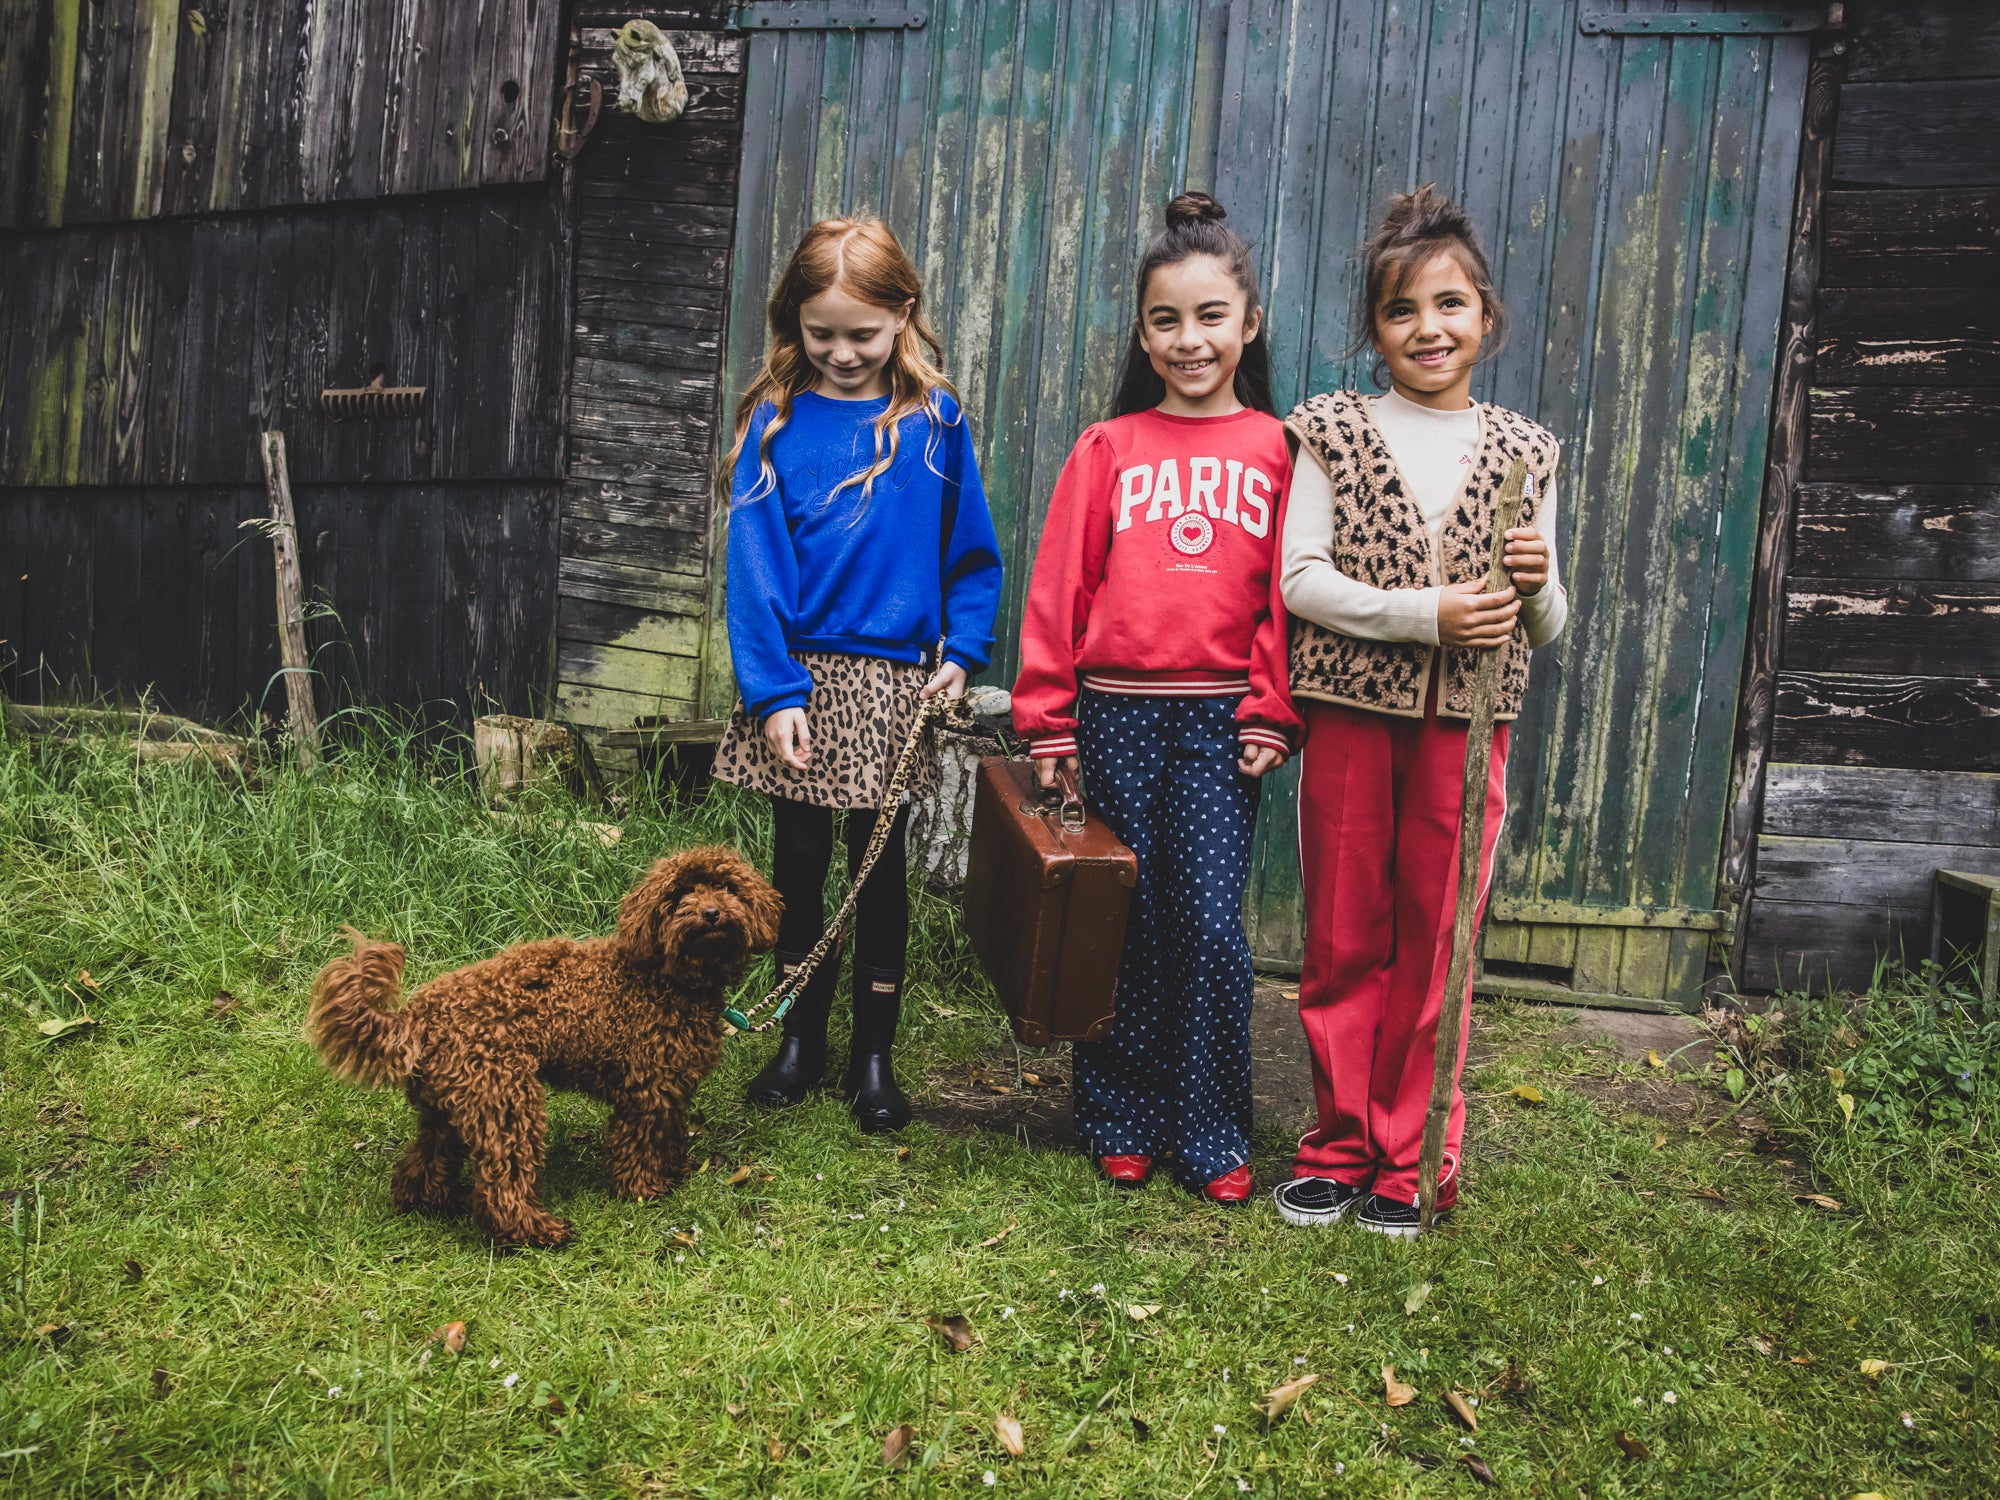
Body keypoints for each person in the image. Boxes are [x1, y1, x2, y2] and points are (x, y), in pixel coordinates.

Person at [1273, 184, 1570, 1238]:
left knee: (1438, 936)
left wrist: (1532, 583)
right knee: (1345, 931)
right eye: (1401, 311)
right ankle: (1337, 1143)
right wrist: (1422, 614)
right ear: (1373, 330)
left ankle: (1413, 1154)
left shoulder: (1524, 452)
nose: (1426, 328)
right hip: (1351, 715)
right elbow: (1299, 579)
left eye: (1448, 305)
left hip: (1469, 725)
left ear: (1484, 316)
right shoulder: (1329, 431)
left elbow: (1546, 623)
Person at [1012, 192, 1299, 1204]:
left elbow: (1284, 600)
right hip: (1113, 716)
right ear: (1141, 331)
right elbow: (1058, 592)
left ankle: (1211, 1126)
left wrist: (1272, 707)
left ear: (1248, 321)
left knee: (1208, 927)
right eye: (1166, 320)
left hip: (1221, 723)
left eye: (1210, 316)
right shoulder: (1109, 449)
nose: (1189, 339)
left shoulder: (1274, 451)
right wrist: (1046, 720)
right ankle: (1119, 1115)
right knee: (1116, 922)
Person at [712, 216, 1003, 1133]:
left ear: (903, 316)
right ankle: (798, 1041)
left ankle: (874, 1056)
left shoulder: (935, 422)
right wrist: (773, 694)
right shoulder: (776, 422)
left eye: (863, 335)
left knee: (879, 875)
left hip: (893, 689)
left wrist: (960, 653)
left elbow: (972, 555)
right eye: (820, 333)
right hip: (798, 681)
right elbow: (754, 568)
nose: (841, 353)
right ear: (792, 322)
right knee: (796, 867)